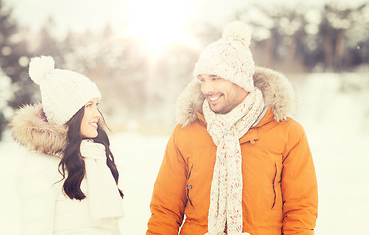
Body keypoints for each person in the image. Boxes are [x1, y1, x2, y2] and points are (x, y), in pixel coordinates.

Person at [146, 21, 318, 235]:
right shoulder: (186, 133)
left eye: (216, 78)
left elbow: (300, 211)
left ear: (241, 80)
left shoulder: (287, 133)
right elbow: (165, 210)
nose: (207, 89)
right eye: (203, 80)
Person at [10, 56, 124, 235]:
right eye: (88, 106)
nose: (97, 114)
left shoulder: (93, 158)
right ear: (69, 114)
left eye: (96, 105)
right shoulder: (40, 166)